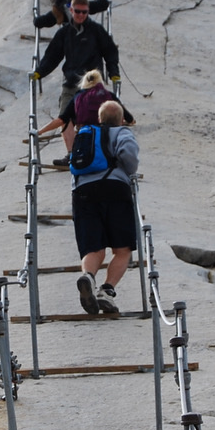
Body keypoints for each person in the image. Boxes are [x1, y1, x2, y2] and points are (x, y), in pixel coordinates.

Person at [31, 0, 121, 164]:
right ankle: (73, 155)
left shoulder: (96, 30)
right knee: (65, 117)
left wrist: (113, 71)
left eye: (84, 12)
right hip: (71, 81)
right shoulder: (64, 33)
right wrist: (40, 72)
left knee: (93, 118)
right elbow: (52, 56)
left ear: (88, 11)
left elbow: (110, 51)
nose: (80, 15)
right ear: (71, 10)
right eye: (77, 11)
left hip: (92, 83)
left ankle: (96, 153)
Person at [72, 100, 139, 315]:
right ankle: (106, 291)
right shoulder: (122, 132)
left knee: (93, 247)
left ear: (99, 119)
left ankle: (88, 277)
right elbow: (129, 156)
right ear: (121, 120)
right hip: (115, 190)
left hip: (83, 192)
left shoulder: (86, 133)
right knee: (123, 250)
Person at [37, 69, 134, 157]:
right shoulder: (110, 95)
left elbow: (61, 120)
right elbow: (129, 118)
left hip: (86, 138)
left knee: (69, 122)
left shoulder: (78, 96)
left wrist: (40, 132)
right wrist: (130, 120)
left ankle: (70, 156)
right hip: (107, 138)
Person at [34, 0, 110, 29]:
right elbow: (103, 3)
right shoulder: (80, 6)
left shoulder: (58, 13)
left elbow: (39, 22)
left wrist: (35, 14)